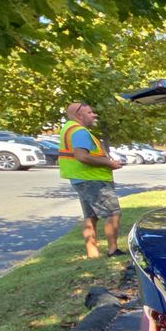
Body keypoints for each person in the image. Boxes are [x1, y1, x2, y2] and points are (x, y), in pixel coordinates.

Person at [59, 101, 125, 258]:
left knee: (90, 216)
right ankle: (113, 250)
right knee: (112, 213)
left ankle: (92, 253)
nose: (94, 115)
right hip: (92, 180)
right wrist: (109, 163)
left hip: (80, 179)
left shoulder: (67, 129)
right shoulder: (80, 132)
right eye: (90, 113)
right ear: (79, 115)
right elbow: (82, 156)